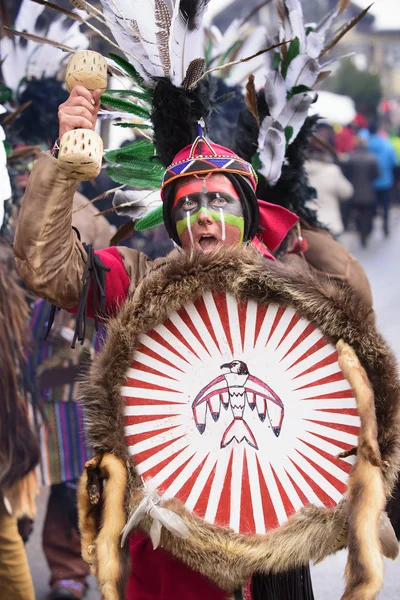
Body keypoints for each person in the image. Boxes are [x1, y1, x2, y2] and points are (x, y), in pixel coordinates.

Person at [305, 132, 354, 236]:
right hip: (329, 224)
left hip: (305, 226)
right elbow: (347, 192)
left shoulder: (297, 171)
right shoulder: (332, 171)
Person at [344, 137, 379, 247]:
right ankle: (365, 233)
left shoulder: (351, 158)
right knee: (367, 214)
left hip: (354, 190)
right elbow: (377, 175)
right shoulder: (372, 158)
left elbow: (346, 174)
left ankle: (360, 231)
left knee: (356, 213)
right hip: (368, 190)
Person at [367, 122, 397, 236]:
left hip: (370, 182)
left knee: (371, 206)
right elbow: (393, 162)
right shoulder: (387, 145)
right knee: (385, 206)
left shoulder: (366, 145)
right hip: (385, 181)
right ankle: (385, 227)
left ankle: (369, 228)